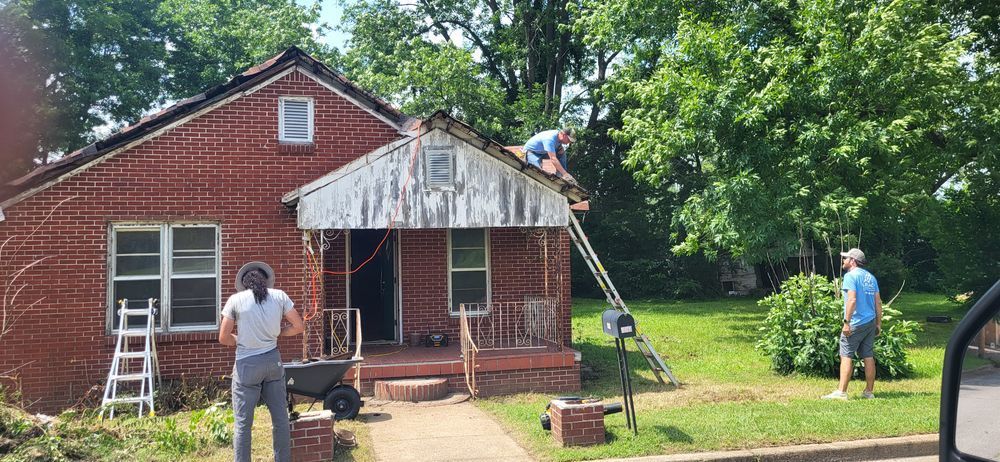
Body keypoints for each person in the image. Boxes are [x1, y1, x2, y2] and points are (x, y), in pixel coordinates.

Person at [219, 261, 305, 462]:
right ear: (266, 281)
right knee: (280, 419)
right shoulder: (279, 296)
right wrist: (278, 334)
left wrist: (239, 339)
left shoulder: (236, 300)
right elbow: (299, 326)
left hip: (247, 365)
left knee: (243, 424)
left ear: (244, 283)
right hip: (273, 362)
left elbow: (223, 337)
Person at [822, 248, 883, 400]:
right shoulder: (871, 278)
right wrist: (878, 324)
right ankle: (869, 392)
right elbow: (878, 302)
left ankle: (841, 392)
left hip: (856, 322)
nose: (843, 261)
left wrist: (846, 322)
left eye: (846, 258)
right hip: (870, 322)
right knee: (868, 356)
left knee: (846, 355)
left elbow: (852, 300)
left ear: (853, 261)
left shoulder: (850, 276)